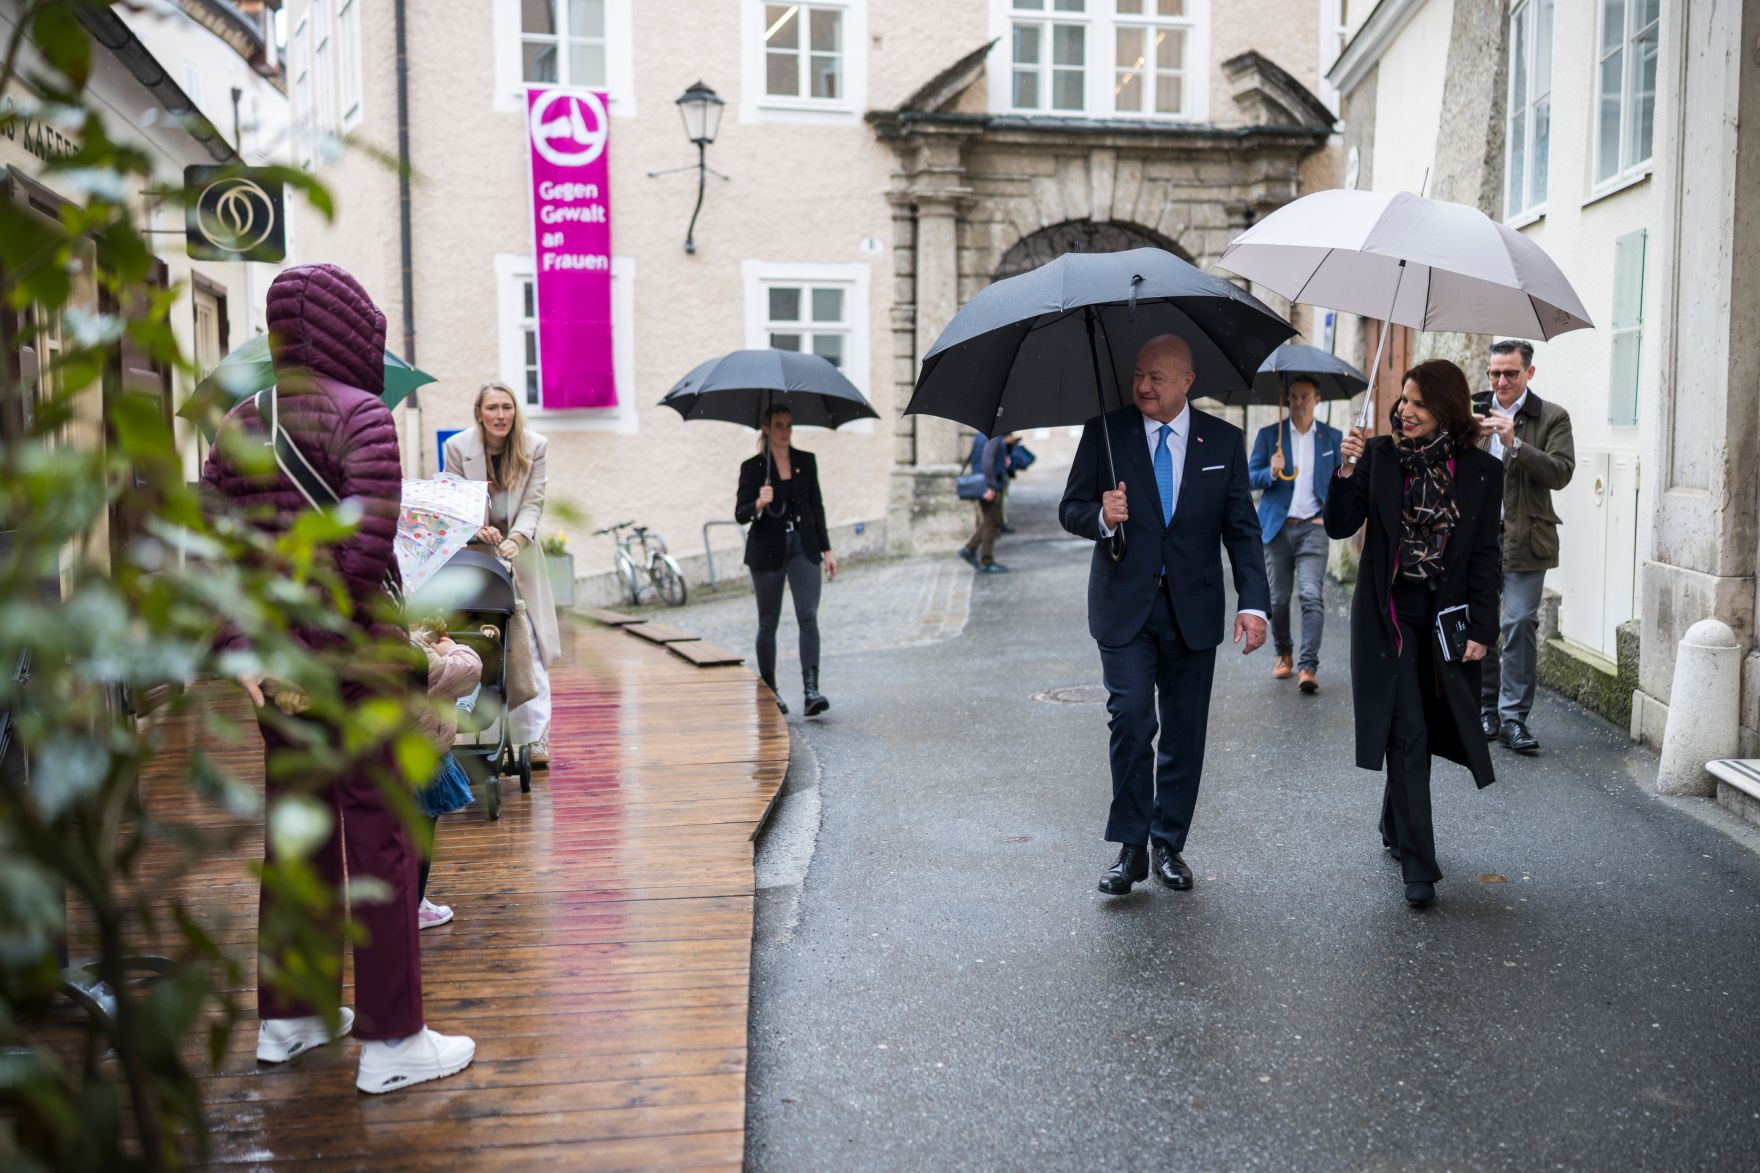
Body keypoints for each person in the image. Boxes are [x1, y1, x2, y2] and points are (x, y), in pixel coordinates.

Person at [201, 263, 474, 1093]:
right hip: (352, 664)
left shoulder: (236, 424)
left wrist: (249, 652)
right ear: (354, 327)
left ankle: (291, 1018)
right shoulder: (364, 416)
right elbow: (360, 556)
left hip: (279, 674)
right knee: (379, 841)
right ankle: (393, 1041)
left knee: (299, 838)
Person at [1059, 334, 1270, 896]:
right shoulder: (1106, 432)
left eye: (1157, 377)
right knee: (1131, 720)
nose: (1144, 386)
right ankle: (1130, 847)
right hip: (1124, 605)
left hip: (1193, 610)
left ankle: (1168, 842)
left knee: (1184, 730)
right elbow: (1070, 508)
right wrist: (1101, 516)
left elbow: (1242, 532)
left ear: (1186, 383)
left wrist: (1253, 605)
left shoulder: (1223, 442)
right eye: (1138, 375)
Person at [1326, 360, 1504, 909]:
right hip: (1390, 612)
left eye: (1419, 404)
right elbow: (1338, 524)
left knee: (1424, 721)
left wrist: (1482, 626)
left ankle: (1392, 821)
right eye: (1403, 400)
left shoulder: (1480, 471)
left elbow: (1483, 556)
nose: (1405, 411)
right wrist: (1346, 468)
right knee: (1407, 730)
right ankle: (1420, 868)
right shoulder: (1378, 456)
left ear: (1445, 411)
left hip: (1444, 616)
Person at [443, 384, 560, 766]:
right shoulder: (459, 448)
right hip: (477, 555)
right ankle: (478, 729)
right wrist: (480, 531)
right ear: (479, 412)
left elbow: (533, 502)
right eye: (492, 407)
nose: (500, 415)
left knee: (532, 647)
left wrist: (516, 539)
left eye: (507, 407)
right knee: (486, 644)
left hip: (521, 553)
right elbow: (457, 500)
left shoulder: (535, 445)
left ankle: (536, 739)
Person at [1475, 339, 1576, 755]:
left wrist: (1515, 442)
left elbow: (1561, 472)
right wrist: (1471, 438)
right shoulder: (1474, 409)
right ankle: (1486, 710)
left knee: (1517, 624)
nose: (1501, 381)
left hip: (1526, 537)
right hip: (1478, 538)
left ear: (1529, 373)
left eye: (1510, 373)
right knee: (1481, 625)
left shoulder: (1551, 416)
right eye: (1495, 373)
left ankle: (1513, 718)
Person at [734, 405, 839, 716]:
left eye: (789, 425)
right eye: (779, 425)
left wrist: (827, 549)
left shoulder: (805, 462)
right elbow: (740, 514)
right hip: (767, 548)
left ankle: (811, 690)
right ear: (766, 428)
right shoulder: (753, 467)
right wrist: (758, 502)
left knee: (808, 615)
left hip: (803, 545)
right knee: (768, 622)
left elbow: (816, 506)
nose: (785, 431)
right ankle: (770, 691)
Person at [1248, 377, 1343, 693]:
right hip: (1277, 527)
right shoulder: (1269, 436)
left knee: (1311, 595)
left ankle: (1308, 666)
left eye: (1305, 397)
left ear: (1317, 399)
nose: (1298, 402)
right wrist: (1270, 472)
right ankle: (1283, 653)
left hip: (1313, 527)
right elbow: (1249, 478)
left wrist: (1329, 516)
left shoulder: (1331, 438)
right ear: (1287, 400)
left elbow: (1343, 482)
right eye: (1293, 397)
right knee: (1277, 598)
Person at [410, 618, 482, 930]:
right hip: (423, 751)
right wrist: (450, 645)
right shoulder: (413, 651)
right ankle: (413, 903)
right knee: (420, 834)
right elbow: (467, 671)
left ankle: (405, 902)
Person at [957, 430, 1011, 574]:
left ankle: (969, 549)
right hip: (989, 485)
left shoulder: (981, 435)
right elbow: (987, 461)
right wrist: (991, 486)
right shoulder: (994, 435)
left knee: (990, 520)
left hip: (982, 483)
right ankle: (986, 560)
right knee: (991, 522)